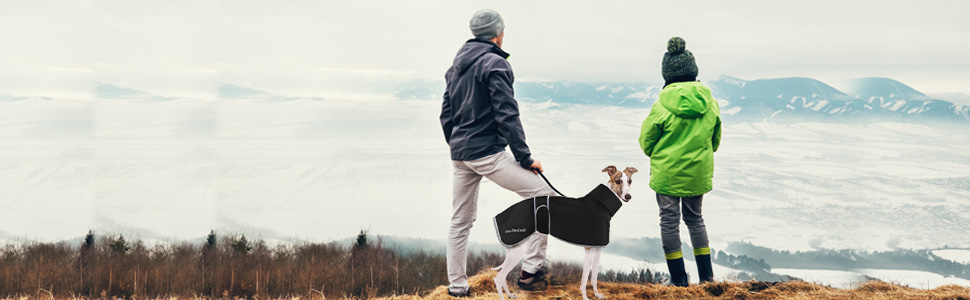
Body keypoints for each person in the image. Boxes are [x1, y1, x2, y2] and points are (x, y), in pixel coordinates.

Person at [440, 9, 555, 297]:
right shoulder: (495, 64)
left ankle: (457, 288)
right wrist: (526, 158)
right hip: (486, 153)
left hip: (461, 154)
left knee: (459, 220)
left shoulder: (455, 68)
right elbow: (508, 115)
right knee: (544, 196)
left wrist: (457, 146)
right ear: (498, 33)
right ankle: (531, 273)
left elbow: (445, 115)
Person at [638, 36, 721, 287]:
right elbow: (715, 141)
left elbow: (646, 143)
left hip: (667, 175)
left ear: (667, 75)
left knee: (669, 222)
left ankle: (679, 281)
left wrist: (663, 155)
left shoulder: (661, 106)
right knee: (696, 220)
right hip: (698, 173)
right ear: (694, 72)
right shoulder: (711, 103)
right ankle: (707, 279)